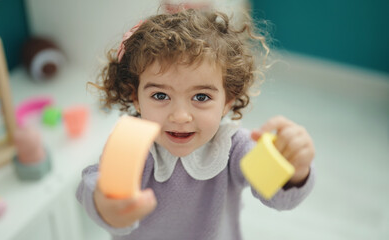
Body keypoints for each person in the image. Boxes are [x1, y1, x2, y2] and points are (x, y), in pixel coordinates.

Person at [77, 8, 315, 240]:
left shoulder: (234, 147)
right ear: (136, 98)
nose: (180, 116)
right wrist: (104, 203)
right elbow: (97, 181)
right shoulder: (133, 144)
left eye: (201, 97)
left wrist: (294, 170)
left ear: (227, 102)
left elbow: (280, 198)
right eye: (160, 96)